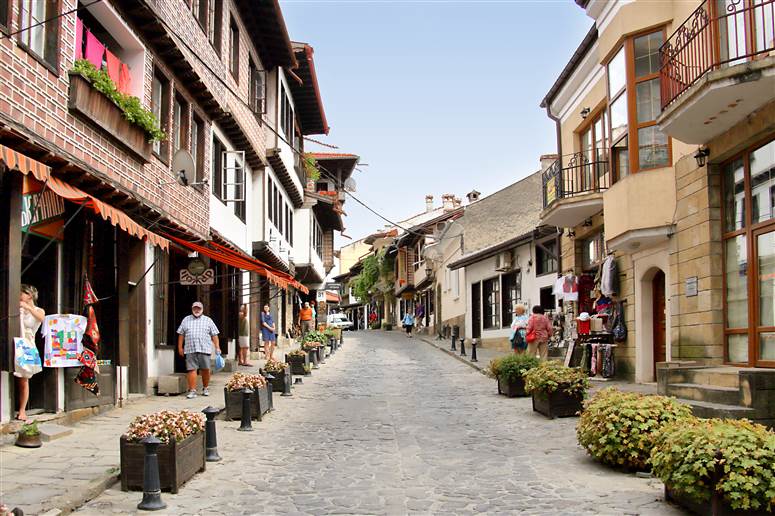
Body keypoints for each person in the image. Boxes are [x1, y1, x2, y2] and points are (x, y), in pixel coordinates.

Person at [177, 301, 221, 399]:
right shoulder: (186, 320)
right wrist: (180, 347)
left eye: (198, 308)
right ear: (192, 309)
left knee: (205, 369)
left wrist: (217, 347)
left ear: (202, 309)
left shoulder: (208, 320)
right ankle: (192, 390)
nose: (196, 310)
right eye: (195, 308)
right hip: (190, 348)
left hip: (204, 348)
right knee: (191, 369)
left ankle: (205, 388)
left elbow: (214, 335)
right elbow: (181, 334)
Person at [17, 285, 44, 421]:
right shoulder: (16, 308)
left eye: (21, 293)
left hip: (27, 345)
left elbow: (41, 318)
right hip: (15, 342)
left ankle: (22, 410)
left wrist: (28, 308)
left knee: (24, 378)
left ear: (29, 296)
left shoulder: (39, 310)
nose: (18, 295)